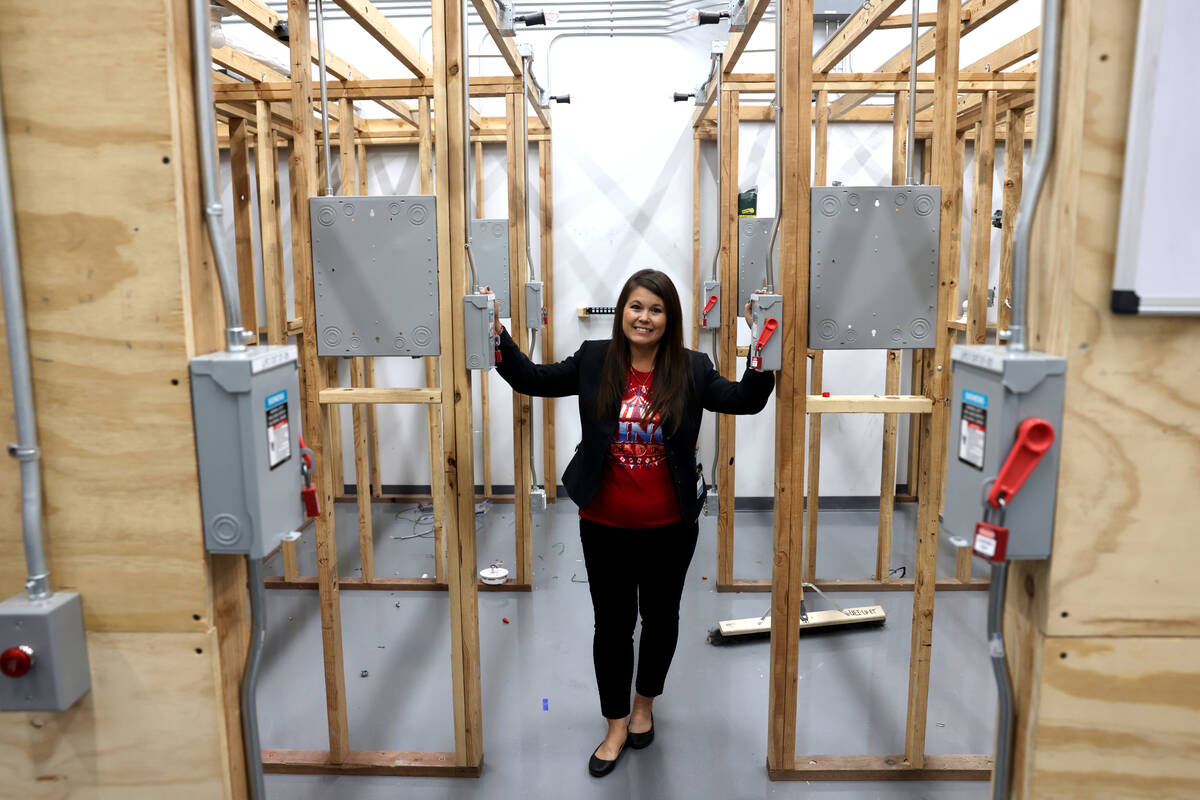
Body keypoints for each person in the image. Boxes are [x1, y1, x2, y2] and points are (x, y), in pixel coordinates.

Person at [491, 268, 775, 777]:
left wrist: (762, 339)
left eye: (656, 309)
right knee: (613, 626)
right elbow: (530, 378)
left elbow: (746, 399)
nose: (644, 317)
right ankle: (617, 722)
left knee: (662, 620)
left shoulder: (691, 368)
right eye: (636, 306)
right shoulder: (594, 359)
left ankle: (644, 705)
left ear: (670, 319)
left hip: (670, 527)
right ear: (623, 311)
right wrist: (494, 331)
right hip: (604, 522)